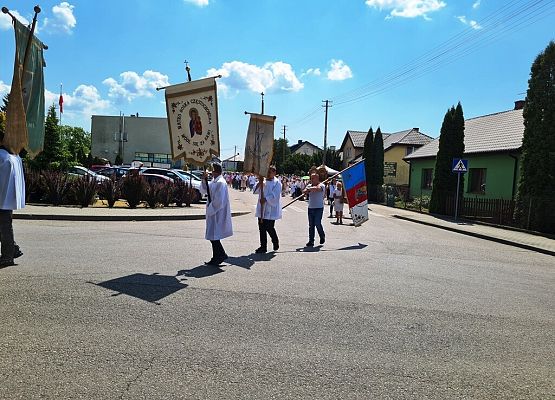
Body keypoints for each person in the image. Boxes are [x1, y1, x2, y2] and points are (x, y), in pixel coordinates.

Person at [200, 162, 232, 265]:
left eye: (211, 170)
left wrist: (211, 209)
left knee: (214, 236)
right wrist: (203, 179)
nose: (210, 172)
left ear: (215, 171)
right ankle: (217, 256)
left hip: (217, 212)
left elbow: (219, 201)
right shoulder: (214, 181)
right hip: (213, 211)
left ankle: (220, 255)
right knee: (212, 236)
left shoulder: (220, 183)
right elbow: (204, 190)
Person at [0, 145, 25, 268]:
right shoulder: (14, 156)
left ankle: (7, 256)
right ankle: (12, 249)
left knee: (4, 227)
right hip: (8, 197)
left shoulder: (2, 155)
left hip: (2, 196)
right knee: (5, 226)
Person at [253, 166, 282, 254]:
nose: (268, 174)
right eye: (267, 172)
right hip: (262, 208)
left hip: (270, 208)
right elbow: (255, 191)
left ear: (274, 173)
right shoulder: (263, 180)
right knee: (261, 228)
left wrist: (265, 199)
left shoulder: (277, 183)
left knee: (269, 227)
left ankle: (275, 241)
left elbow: (275, 195)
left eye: (270, 172)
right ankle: (263, 246)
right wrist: (259, 183)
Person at [303, 173, 325, 247]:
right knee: (311, 225)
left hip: (319, 208)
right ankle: (311, 241)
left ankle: (322, 235)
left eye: (313, 178)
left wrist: (310, 189)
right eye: (311, 178)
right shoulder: (309, 186)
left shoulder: (322, 185)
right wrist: (306, 190)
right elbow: (304, 191)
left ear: (317, 179)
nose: (311, 180)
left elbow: (318, 189)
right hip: (311, 207)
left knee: (317, 223)